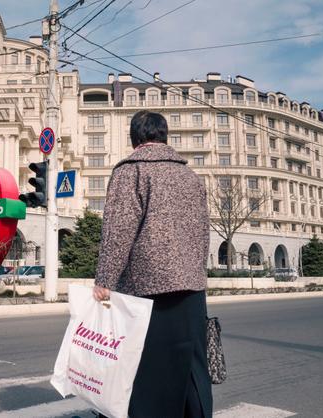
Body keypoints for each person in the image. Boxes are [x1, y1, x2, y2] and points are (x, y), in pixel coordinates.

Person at [93, 111, 213, 418]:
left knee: (150, 373)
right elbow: (203, 233)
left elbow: (118, 231)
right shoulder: (190, 176)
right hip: (192, 288)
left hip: (147, 290)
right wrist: (197, 273)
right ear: (165, 136)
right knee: (189, 370)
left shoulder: (131, 171)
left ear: (134, 138)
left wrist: (105, 279)